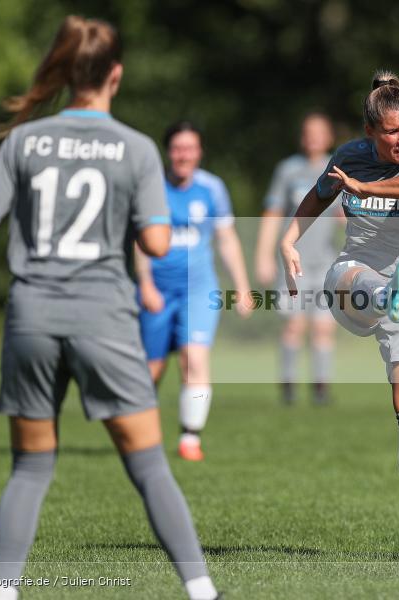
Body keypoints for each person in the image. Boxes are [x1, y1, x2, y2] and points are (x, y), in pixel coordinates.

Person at [0, 16, 221, 600]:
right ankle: (202, 592)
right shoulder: (134, 148)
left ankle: (2, 594)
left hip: (31, 316)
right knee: (150, 466)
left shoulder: (25, 141)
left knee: (30, 468)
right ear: (116, 75)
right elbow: (157, 243)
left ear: (63, 70)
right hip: (102, 316)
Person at [279, 70, 399, 562]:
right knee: (357, 278)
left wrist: (364, 187)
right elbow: (319, 194)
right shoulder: (349, 156)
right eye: (393, 131)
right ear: (371, 131)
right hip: (354, 276)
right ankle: (384, 294)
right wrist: (289, 239)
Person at [136, 121, 252, 461]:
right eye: (177, 148)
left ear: (199, 152)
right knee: (150, 369)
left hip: (199, 289)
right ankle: (143, 437)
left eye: (190, 148)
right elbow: (139, 241)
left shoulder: (212, 189)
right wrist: (144, 284)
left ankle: (190, 437)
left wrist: (241, 286)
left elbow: (226, 239)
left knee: (194, 359)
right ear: (168, 151)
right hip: (156, 289)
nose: (183, 155)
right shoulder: (151, 187)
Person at [255, 113, 340, 405]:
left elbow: (347, 216)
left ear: (329, 136)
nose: (313, 137)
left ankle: (321, 389)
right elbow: (272, 215)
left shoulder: (338, 170)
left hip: (326, 263)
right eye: (308, 131)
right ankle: (288, 387)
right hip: (294, 264)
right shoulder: (288, 171)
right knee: (293, 325)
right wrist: (264, 257)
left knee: (323, 327)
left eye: (320, 131)